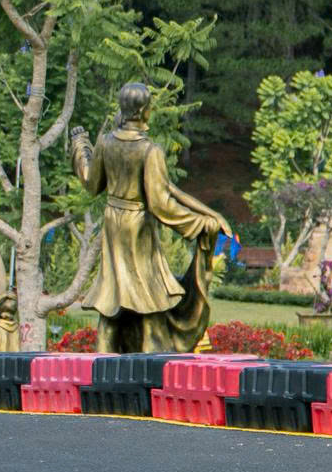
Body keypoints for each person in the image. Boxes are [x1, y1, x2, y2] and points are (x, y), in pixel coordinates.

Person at [67, 82, 230, 354]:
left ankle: (106, 352)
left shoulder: (106, 143)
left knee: (116, 294)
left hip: (113, 223)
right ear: (143, 110)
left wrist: (80, 146)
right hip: (137, 227)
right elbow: (160, 204)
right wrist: (199, 224)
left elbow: (91, 183)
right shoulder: (150, 150)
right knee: (147, 295)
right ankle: (150, 355)